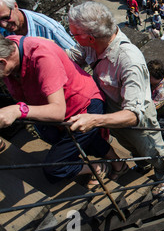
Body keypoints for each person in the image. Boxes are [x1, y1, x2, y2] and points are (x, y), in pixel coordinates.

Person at [65, 1, 164, 196]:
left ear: (90, 37)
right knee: (129, 145)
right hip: (113, 112)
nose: (73, 38)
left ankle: (163, 175)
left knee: (152, 148)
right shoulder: (91, 45)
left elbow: (133, 115)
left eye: (74, 34)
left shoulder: (129, 62)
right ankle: (143, 164)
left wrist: (95, 120)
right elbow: (71, 57)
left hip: (135, 116)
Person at [0, 35, 127, 186]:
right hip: (60, 109)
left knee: (54, 168)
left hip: (82, 105)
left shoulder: (41, 58)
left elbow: (58, 111)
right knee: (82, 137)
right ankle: (119, 164)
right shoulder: (10, 47)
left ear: (3, 62)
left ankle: (97, 167)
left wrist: (18, 110)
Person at [0, 0, 75, 50]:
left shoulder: (49, 28)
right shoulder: (3, 31)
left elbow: (77, 56)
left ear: (15, 6)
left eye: (6, 17)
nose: (3, 25)